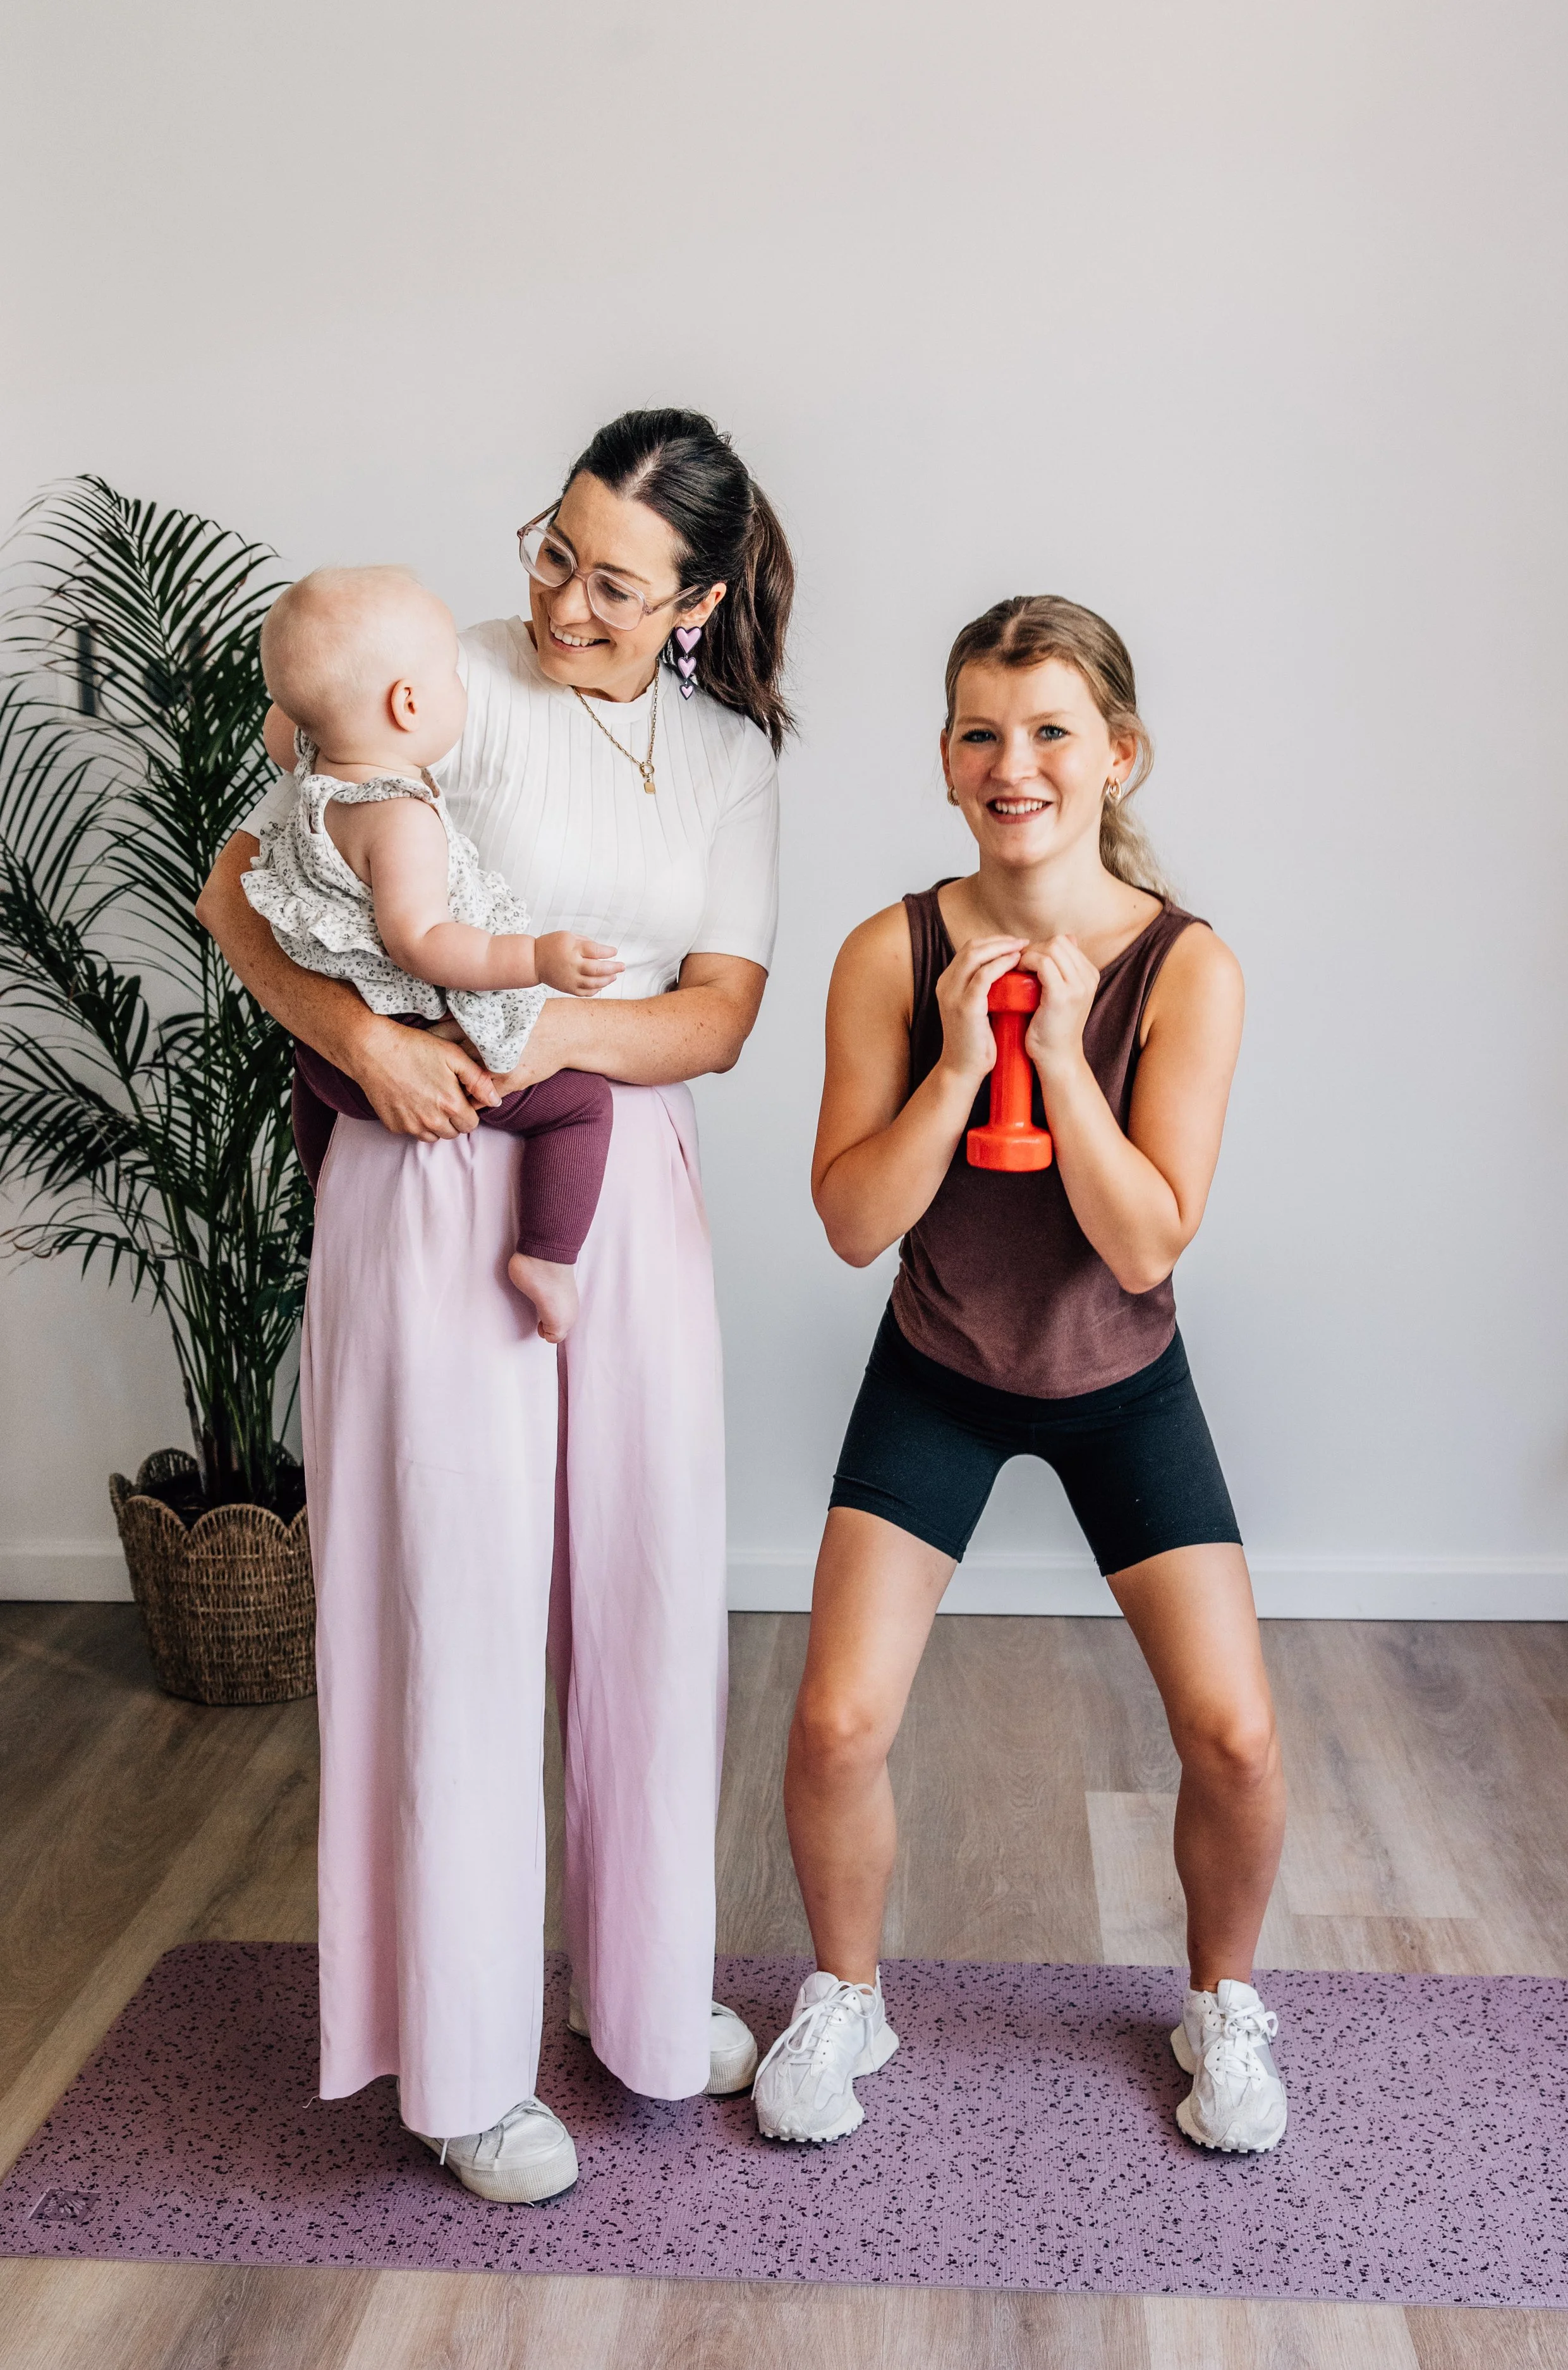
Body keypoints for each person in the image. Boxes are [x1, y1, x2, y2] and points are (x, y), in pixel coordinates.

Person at [197, 408, 791, 2202]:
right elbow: (240, 888)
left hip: (626, 1192)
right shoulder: (422, 675)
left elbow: (718, 1015)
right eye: (554, 547)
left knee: (644, 1586)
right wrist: (370, 1037)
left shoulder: (724, 759)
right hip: (420, 1170)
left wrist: (529, 1037)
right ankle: (457, 2063)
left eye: (616, 581)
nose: (564, 596)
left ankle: (635, 1989)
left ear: (694, 600)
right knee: (449, 1611)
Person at [752, 595, 1287, 2158]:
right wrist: (959, 1063)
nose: (1017, 762)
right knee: (837, 1724)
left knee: (1238, 1736)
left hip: (1123, 1377)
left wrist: (1057, 1055)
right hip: (940, 1369)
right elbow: (854, 1221)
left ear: (1116, 755)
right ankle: (847, 1991)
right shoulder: (890, 948)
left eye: (1052, 728)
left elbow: (1142, 1244)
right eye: (983, 730)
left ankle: (1224, 1999)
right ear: (944, 759)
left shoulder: (1188, 968)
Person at [246, 564, 617, 1336]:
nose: (462, 686)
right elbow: (426, 943)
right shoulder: (400, 818)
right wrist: (535, 960)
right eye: (450, 673)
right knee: (582, 1107)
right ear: (408, 704)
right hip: (422, 1053)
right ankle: (547, 1256)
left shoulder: (312, 763)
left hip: (329, 1065)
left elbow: (285, 719)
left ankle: (329, 1193)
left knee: (307, 1079)